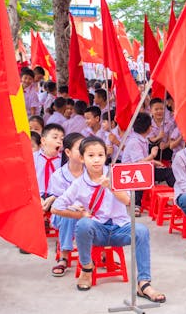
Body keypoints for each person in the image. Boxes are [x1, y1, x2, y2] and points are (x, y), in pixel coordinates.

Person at [51, 137, 166, 302]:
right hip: (97, 230)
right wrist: (80, 214)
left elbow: (129, 201)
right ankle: (87, 268)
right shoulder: (78, 184)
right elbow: (56, 207)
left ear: (106, 157)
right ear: (82, 158)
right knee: (83, 224)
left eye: (100, 155)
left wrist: (111, 187)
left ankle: (144, 283)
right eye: (91, 155)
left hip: (120, 228)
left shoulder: (115, 174)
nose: (96, 159)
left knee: (141, 231)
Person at [44, 133, 84, 277]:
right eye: (80, 148)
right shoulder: (59, 175)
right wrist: (74, 206)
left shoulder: (92, 171)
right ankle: (64, 256)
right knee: (69, 214)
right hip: (63, 214)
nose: (84, 151)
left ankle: (101, 251)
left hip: (87, 212)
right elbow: (59, 203)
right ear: (68, 152)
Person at [122, 112, 175, 217]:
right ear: (149, 127)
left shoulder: (141, 139)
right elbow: (139, 163)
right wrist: (152, 155)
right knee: (141, 175)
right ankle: (136, 204)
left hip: (142, 169)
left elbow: (143, 161)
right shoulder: (134, 141)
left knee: (168, 171)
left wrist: (154, 162)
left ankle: (177, 194)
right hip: (131, 173)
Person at [33, 124, 64, 199]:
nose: (59, 141)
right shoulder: (33, 157)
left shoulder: (64, 160)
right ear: (43, 141)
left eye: (62, 139)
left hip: (55, 199)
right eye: (55, 137)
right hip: (36, 198)